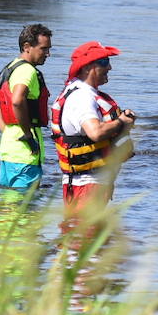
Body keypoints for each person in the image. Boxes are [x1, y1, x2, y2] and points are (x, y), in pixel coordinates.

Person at [50, 41, 135, 211]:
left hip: (90, 183)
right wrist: (121, 122)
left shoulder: (83, 93)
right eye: (103, 62)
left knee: (89, 236)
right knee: (85, 236)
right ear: (87, 67)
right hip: (86, 185)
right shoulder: (81, 97)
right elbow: (95, 132)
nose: (109, 67)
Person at [0, 24, 53, 192]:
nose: (48, 54)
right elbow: (17, 100)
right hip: (25, 154)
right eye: (43, 49)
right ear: (27, 47)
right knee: (24, 210)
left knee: (8, 207)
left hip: (8, 150)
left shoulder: (10, 68)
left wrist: (6, 129)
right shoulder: (27, 71)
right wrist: (28, 135)